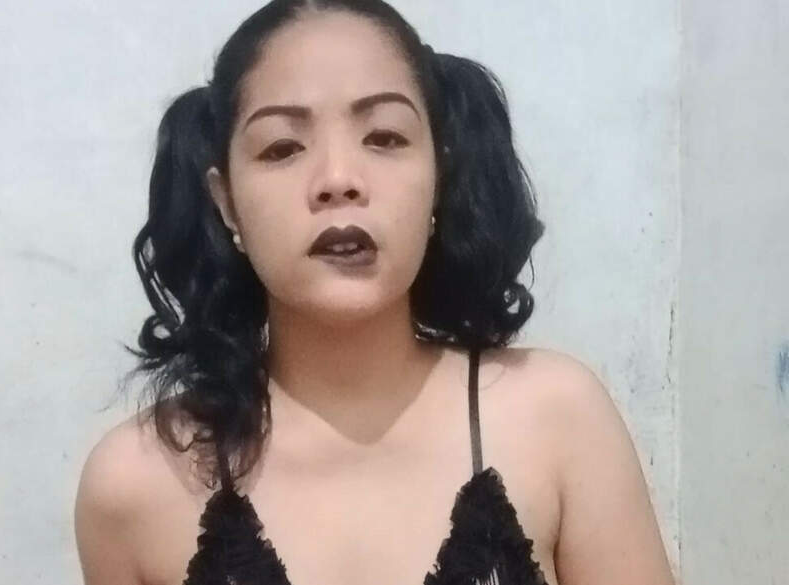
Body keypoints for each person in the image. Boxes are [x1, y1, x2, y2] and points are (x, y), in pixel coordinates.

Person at [74, 1, 676, 584]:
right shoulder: (134, 485)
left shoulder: (557, 421)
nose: (338, 180)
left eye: (385, 137)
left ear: (439, 177)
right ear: (227, 202)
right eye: (283, 147)